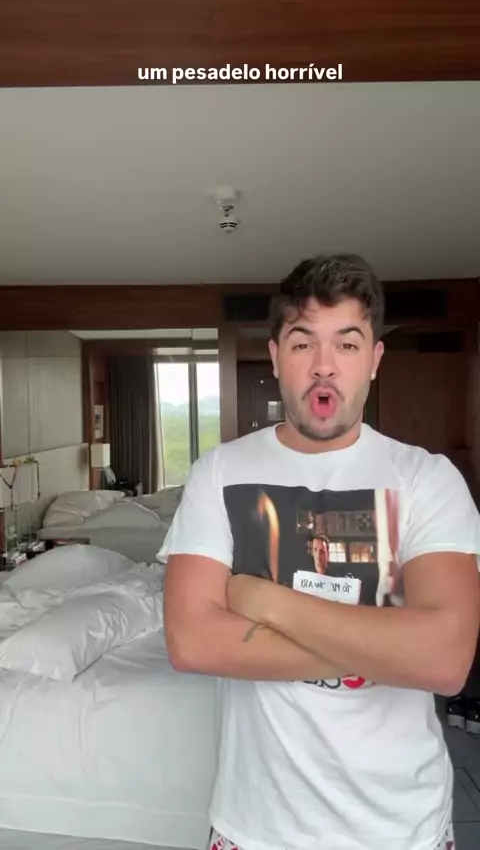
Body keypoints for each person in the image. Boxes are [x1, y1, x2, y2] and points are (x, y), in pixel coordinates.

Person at [159, 253, 480, 850]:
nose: (324, 365)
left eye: (347, 344)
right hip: (255, 828)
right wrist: (386, 647)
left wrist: (264, 601)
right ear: (276, 355)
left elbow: (443, 661)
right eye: (303, 343)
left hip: (401, 829)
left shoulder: (427, 479)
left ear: (374, 360)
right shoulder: (219, 472)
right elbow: (192, 641)